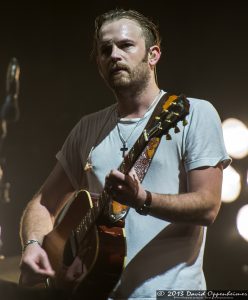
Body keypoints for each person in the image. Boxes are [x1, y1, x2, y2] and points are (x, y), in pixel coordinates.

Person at [19, 8, 231, 299]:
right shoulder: (86, 128)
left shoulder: (194, 113)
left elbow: (208, 206)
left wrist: (144, 199)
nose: (114, 55)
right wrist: (32, 244)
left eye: (125, 45)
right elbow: (43, 203)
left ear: (153, 55)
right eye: (105, 50)